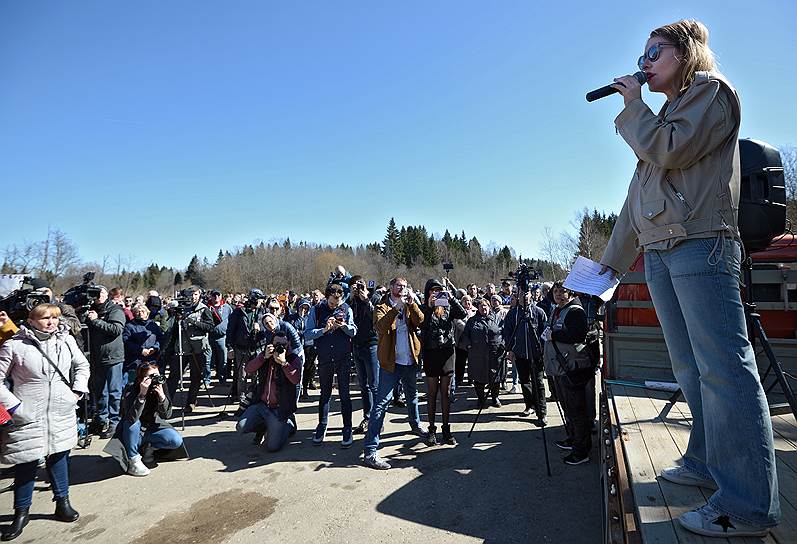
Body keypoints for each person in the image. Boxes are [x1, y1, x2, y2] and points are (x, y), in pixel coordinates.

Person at [599, 19, 778, 537]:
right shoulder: (665, 118)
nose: (645, 61)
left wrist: (633, 107)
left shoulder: (711, 95)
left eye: (656, 51)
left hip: (701, 243)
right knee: (689, 366)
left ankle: (747, 504)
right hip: (661, 251)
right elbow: (638, 204)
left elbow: (669, 150)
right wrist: (608, 265)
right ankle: (704, 459)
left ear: (687, 53)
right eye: (644, 53)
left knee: (724, 368)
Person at [0, 304, 90, 540]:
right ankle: (21, 512)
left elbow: (82, 365)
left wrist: (77, 392)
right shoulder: (15, 345)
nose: (51, 322)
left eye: (54, 317)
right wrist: (15, 406)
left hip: (61, 409)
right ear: (30, 320)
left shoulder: (66, 340)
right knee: (26, 462)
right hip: (28, 412)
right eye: (45, 318)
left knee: (59, 456)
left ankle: (62, 502)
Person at [362, 277, 427, 470]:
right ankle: (370, 451)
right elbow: (381, 327)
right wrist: (397, 307)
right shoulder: (381, 306)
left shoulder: (409, 303)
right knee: (381, 404)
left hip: (409, 359)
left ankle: (415, 425)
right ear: (391, 287)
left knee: (412, 395)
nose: (402, 288)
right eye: (399, 285)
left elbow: (420, 321)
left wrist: (412, 304)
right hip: (391, 363)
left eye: (405, 286)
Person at [542, 282, 591, 467]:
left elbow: (578, 334)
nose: (558, 294)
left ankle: (581, 451)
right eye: (555, 291)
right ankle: (573, 440)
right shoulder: (557, 310)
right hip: (560, 369)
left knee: (577, 412)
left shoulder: (575, 311)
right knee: (568, 409)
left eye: (562, 291)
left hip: (571, 369)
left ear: (570, 293)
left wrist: (554, 335)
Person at [304, 283, 356, 448]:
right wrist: (324, 329)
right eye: (333, 302)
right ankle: (322, 425)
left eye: (338, 302)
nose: (336, 305)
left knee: (345, 394)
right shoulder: (317, 310)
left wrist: (344, 326)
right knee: (325, 393)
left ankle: (347, 428)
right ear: (327, 297)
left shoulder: (346, 309)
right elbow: (307, 334)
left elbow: (354, 331)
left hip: (343, 357)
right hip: (325, 356)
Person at [111, 363, 186, 476]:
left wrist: (162, 397)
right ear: (142, 378)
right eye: (152, 376)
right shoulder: (132, 387)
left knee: (176, 440)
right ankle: (133, 459)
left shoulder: (161, 385)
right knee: (133, 423)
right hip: (134, 431)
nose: (156, 379)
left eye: (158, 375)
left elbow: (167, 415)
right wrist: (142, 394)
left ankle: (149, 447)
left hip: (153, 427)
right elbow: (131, 418)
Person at [236, 329, 302, 452]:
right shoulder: (265, 356)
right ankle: (264, 427)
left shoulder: (293, 359)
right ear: (270, 344)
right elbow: (249, 369)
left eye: (283, 344)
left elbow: (296, 379)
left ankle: (288, 424)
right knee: (241, 427)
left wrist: (284, 363)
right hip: (261, 405)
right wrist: (263, 357)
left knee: (272, 447)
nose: (280, 347)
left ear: (288, 344)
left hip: (279, 408)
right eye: (277, 344)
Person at [419, 278, 466, 446]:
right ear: (427, 293)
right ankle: (432, 429)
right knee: (431, 393)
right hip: (431, 353)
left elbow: (463, 314)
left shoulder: (447, 307)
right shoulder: (423, 308)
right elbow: (420, 324)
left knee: (445, 394)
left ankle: (446, 428)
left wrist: (451, 297)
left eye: (438, 291)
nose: (435, 294)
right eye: (433, 291)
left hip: (447, 352)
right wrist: (429, 307)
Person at [165, 286, 214, 414]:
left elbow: (210, 327)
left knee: (195, 377)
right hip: (181, 347)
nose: (193, 296)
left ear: (200, 295)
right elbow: (173, 329)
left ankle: (191, 402)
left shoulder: (204, 309)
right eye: (191, 294)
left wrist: (195, 323)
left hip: (197, 349)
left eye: (196, 294)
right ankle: (166, 403)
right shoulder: (181, 309)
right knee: (174, 377)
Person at [86, 285, 126, 438]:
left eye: (101, 293)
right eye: (95, 293)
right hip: (96, 357)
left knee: (114, 392)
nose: (98, 296)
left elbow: (116, 330)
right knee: (99, 391)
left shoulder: (115, 310)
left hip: (113, 357)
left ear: (107, 295)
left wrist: (96, 321)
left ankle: (114, 422)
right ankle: (102, 419)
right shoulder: (90, 310)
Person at [504, 289, 548, 425]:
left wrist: (543, 349)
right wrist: (510, 350)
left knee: (539, 383)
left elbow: (545, 331)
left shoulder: (539, 312)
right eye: (522, 294)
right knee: (524, 381)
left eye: (527, 294)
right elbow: (507, 332)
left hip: (536, 355)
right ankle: (530, 405)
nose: (524, 297)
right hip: (520, 354)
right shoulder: (513, 314)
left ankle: (542, 413)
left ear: (532, 295)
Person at [348, 275, 380, 434]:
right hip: (357, 345)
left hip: (372, 345)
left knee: (375, 385)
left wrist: (366, 299)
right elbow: (346, 316)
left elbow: (377, 317)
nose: (358, 289)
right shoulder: (351, 301)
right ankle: (367, 417)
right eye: (354, 287)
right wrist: (351, 297)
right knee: (363, 385)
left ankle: (377, 420)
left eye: (359, 286)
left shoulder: (373, 296)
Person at [461, 297, 505, 408]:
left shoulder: (497, 318)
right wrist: (469, 345)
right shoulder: (472, 321)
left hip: (495, 354)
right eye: (481, 306)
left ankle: (495, 398)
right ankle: (481, 399)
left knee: (495, 378)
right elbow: (465, 335)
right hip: (477, 355)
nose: (483, 308)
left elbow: (505, 332)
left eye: (485, 306)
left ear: (489, 307)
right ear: (478, 308)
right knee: (479, 379)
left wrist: (503, 345)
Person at [226, 288, 264, 410]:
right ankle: (241, 397)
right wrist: (230, 347)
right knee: (241, 375)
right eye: (259, 299)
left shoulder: (262, 311)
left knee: (255, 374)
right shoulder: (239, 311)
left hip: (256, 347)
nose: (261, 302)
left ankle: (252, 396)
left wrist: (260, 328)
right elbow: (230, 330)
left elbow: (269, 327)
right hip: (241, 348)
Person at [122, 303, 164, 384]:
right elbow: (126, 342)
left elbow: (160, 338)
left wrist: (155, 348)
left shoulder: (153, 325)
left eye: (143, 311)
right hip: (134, 361)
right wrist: (140, 350)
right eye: (138, 312)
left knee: (152, 383)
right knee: (133, 384)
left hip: (151, 359)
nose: (141, 313)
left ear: (147, 313)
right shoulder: (129, 326)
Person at [452, 294, 476, 397]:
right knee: (460, 362)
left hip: (473, 342)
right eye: (465, 301)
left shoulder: (475, 311)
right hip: (461, 342)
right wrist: (468, 328)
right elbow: (457, 322)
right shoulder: (458, 312)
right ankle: (459, 379)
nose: (467, 303)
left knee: (472, 362)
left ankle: (471, 379)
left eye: (469, 301)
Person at [207, 289, 233, 385]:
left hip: (223, 337)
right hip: (209, 337)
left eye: (218, 295)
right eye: (214, 295)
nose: (216, 297)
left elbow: (231, 321)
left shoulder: (227, 308)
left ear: (221, 296)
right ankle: (207, 380)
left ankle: (222, 379)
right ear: (211, 296)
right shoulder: (206, 307)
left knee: (224, 360)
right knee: (208, 360)